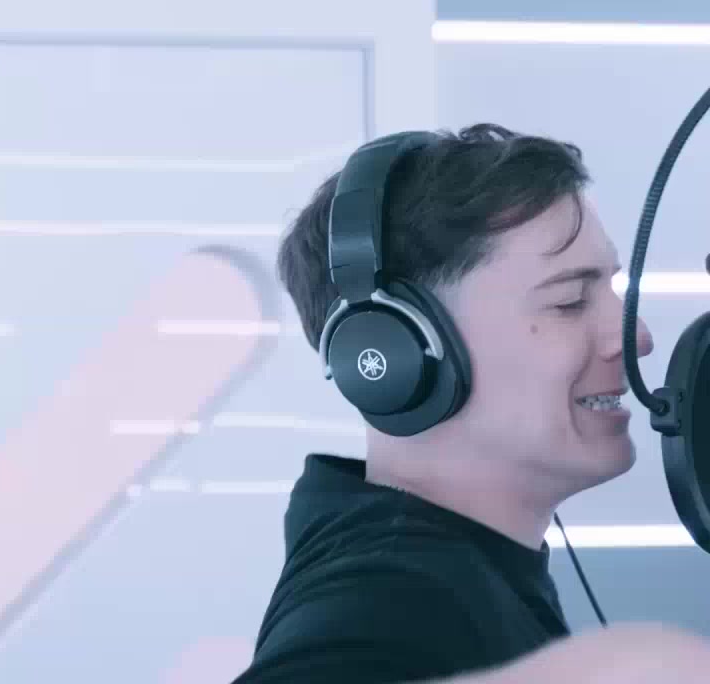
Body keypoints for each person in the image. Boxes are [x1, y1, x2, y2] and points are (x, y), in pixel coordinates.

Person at [232, 123, 710, 683]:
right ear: (395, 351)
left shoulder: (460, 567)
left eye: (610, 292)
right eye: (570, 300)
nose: (634, 337)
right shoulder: (382, 592)